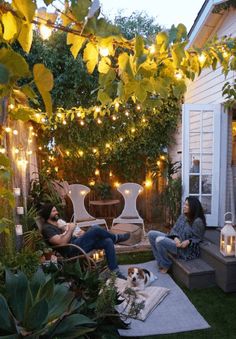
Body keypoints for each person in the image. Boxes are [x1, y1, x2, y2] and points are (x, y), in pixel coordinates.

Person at [39, 204, 130, 279]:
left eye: (56, 210)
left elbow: (67, 234)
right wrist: (70, 229)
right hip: (72, 249)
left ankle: (115, 271)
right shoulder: (47, 229)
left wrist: (77, 233)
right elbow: (61, 243)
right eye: (54, 211)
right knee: (95, 228)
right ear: (48, 214)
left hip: (77, 242)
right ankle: (116, 238)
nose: (57, 212)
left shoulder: (57, 223)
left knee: (107, 241)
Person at [148, 196, 206, 273]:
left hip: (184, 249)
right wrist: (175, 238)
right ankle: (160, 262)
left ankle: (166, 265)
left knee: (159, 240)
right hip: (175, 241)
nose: (184, 206)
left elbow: (198, 238)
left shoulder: (198, 222)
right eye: (184, 204)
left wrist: (188, 241)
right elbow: (174, 229)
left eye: (187, 205)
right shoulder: (183, 216)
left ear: (193, 207)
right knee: (151, 234)